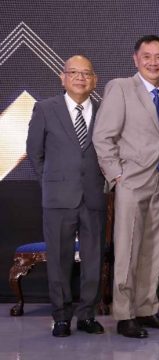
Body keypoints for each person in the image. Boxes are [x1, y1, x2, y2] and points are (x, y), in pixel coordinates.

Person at [92, 35, 159, 338]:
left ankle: (146, 308)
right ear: (136, 59)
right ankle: (124, 314)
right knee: (127, 248)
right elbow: (103, 136)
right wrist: (117, 176)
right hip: (131, 181)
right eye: (147, 56)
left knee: (154, 249)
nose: (153, 62)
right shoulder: (121, 88)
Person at [26, 55, 106, 337]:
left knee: (93, 259)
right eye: (74, 72)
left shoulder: (104, 110)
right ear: (63, 78)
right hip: (58, 198)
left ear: (94, 80)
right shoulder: (45, 109)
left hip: (94, 196)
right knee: (59, 259)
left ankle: (86, 315)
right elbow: (35, 153)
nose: (80, 78)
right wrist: (51, 182)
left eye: (86, 73)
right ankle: (61, 317)